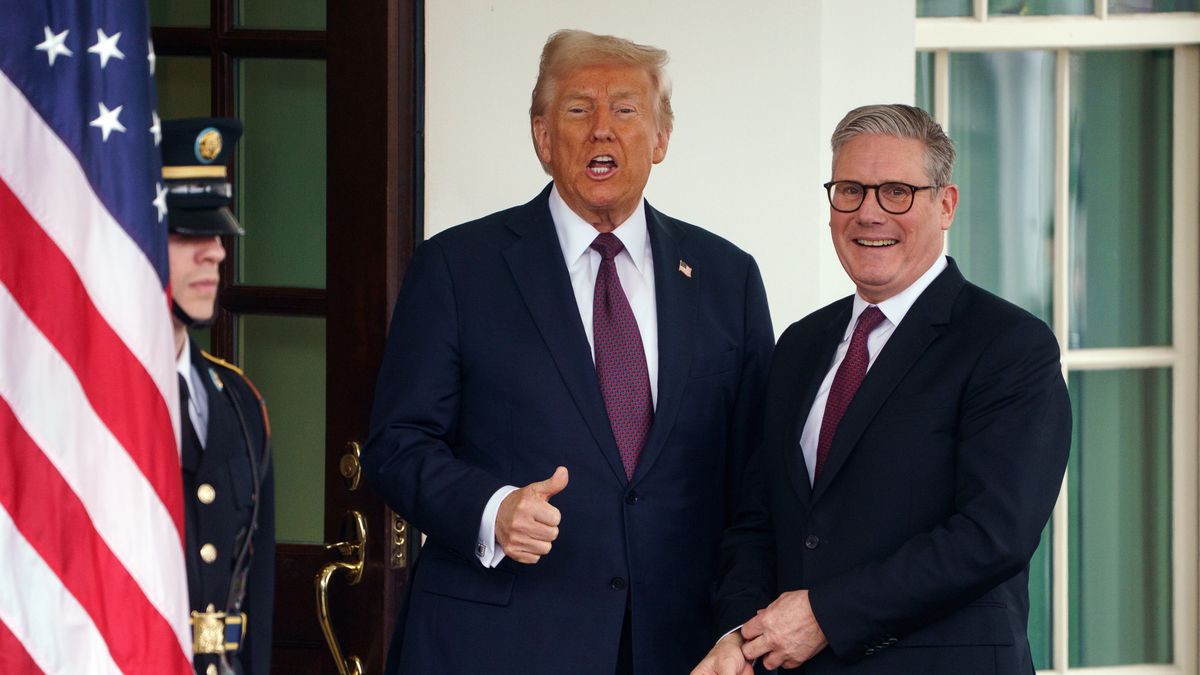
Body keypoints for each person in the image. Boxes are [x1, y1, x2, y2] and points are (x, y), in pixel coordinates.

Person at [363, 29, 774, 675]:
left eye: (627, 110)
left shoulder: (728, 277)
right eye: (579, 110)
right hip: (496, 644)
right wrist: (492, 508)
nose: (602, 130)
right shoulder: (458, 266)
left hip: (675, 647)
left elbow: (755, 481)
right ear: (543, 137)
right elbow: (396, 442)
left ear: (662, 138)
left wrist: (742, 630)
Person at [693, 104, 1071, 675]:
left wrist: (825, 615)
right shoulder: (800, 346)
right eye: (850, 190)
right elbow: (759, 521)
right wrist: (739, 637)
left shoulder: (1010, 346)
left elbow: (992, 536)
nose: (868, 213)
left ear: (945, 205)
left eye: (896, 191)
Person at [163, 117, 275, 675]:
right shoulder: (84, 408)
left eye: (217, 234)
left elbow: (256, 592)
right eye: (187, 233)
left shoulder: (238, 400)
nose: (215, 253)